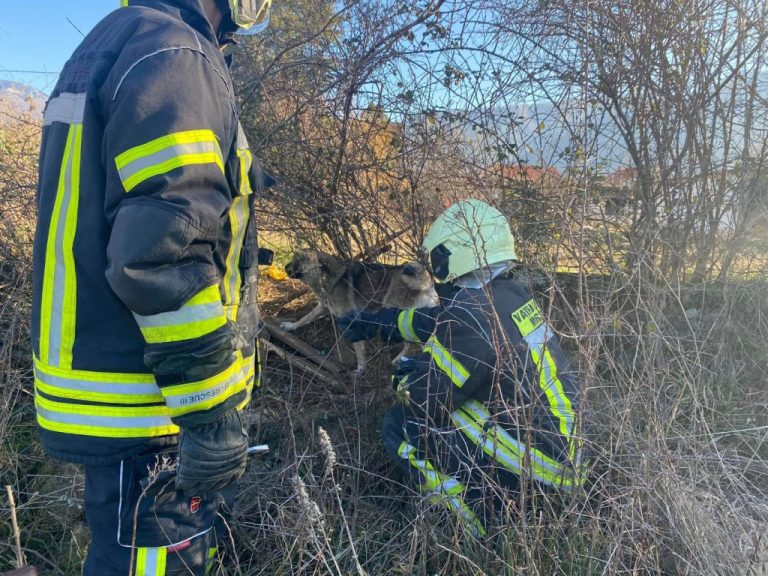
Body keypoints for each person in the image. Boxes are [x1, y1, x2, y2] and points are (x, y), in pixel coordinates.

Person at [31, 1, 273, 573]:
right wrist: (210, 414)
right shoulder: (174, 56)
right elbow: (161, 254)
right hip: (156, 411)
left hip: (120, 391)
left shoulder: (116, 43)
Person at [339, 199, 586, 537]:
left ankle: (477, 522)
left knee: (399, 425)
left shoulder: (469, 315)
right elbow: (439, 321)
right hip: (565, 449)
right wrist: (380, 323)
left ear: (447, 259)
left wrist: (407, 374)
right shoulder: (508, 293)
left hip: (539, 464)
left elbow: (427, 400)